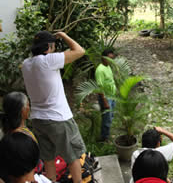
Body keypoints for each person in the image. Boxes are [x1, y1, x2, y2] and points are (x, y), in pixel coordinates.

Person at [22, 31, 86, 183]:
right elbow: (80, 51)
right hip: (58, 118)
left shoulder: (26, 64)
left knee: (48, 158)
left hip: (38, 119)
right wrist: (63, 35)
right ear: (49, 46)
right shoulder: (48, 60)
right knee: (73, 157)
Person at [95, 49, 116, 142]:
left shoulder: (108, 66)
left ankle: (106, 135)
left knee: (110, 117)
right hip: (106, 97)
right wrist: (105, 101)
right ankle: (104, 139)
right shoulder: (100, 70)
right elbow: (100, 88)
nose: (111, 61)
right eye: (109, 58)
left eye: (112, 59)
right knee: (106, 119)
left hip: (112, 96)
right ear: (103, 58)